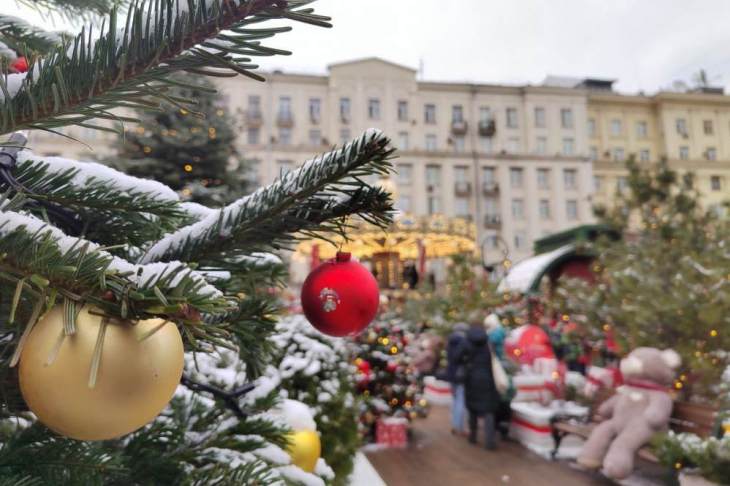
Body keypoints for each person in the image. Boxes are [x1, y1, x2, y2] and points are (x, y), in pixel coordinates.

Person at [459, 324, 500, 449]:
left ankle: (473, 436)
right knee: (488, 410)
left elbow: (458, 358)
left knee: (472, 408)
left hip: (471, 379)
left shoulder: (466, 343)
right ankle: (490, 441)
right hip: (487, 378)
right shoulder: (488, 343)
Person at [445, 322, 469, 435]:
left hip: (451, 374)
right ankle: (459, 426)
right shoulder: (464, 342)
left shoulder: (450, 341)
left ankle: (454, 424)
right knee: (461, 400)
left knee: (455, 399)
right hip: (461, 374)